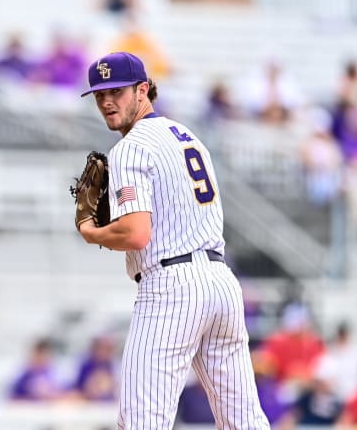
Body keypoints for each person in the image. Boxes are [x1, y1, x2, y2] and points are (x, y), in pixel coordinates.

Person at [77, 51, 270, 429]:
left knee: (142, 420)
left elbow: (135, 234)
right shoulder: (190, 137)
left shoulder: (130, 147)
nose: (107, 102)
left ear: (143, 89)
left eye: (117, 91)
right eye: (99, 95)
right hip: (222, 284)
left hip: (172, 287)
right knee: (244, 420)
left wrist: (92, 232)